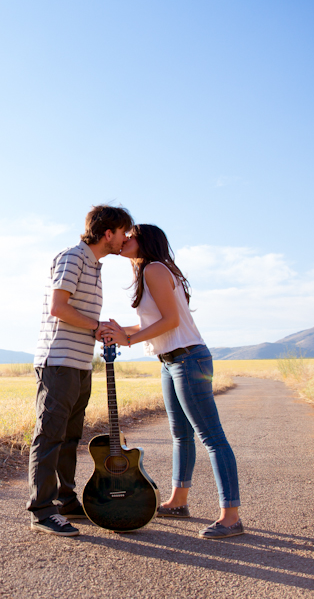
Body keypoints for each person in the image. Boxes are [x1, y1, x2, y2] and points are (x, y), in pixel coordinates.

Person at [102, 224, 243, 539]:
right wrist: (118, 331)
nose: (124, 240)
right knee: (181, 436)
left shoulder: (153, 268)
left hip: (187, 359)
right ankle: (178, 501)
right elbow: (153, 324)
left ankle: (231, 516)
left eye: (130, 236)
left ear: (145, 241)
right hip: (170, 361)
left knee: (212, 437)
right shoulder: (149, 272)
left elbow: (172, 321)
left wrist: (129, 339)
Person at [28, 205, 133, 537]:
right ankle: (42, 510)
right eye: (123, 232)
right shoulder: (73, 257)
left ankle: (65, 499)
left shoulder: (95, 266)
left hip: (80, 363)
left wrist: (98, 331)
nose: (126, 239)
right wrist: (97, 326)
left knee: (70, 437)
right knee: (49, 436)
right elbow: (58, 308)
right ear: (108, 233)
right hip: (58, 362)